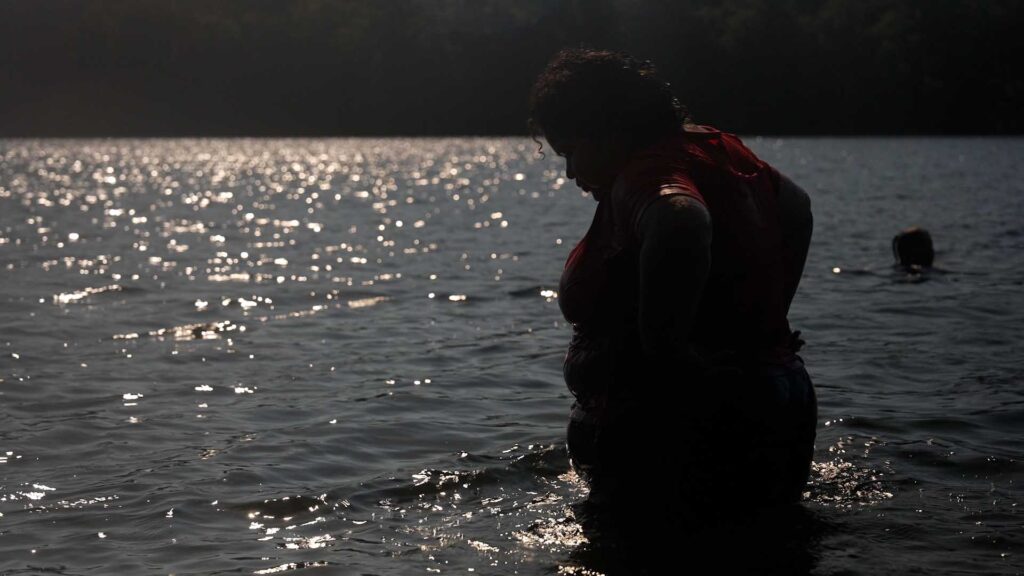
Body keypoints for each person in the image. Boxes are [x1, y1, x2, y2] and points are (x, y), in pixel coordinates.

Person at [528, 48, 817, 525]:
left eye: (571, 153)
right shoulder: (717, 148)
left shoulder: (648, 173)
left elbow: (681, 219)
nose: (570, 173)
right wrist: (769, 321)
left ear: (606, 131)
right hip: (777, 401)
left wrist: (666, 350)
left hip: (671, 432)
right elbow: (798, 210)